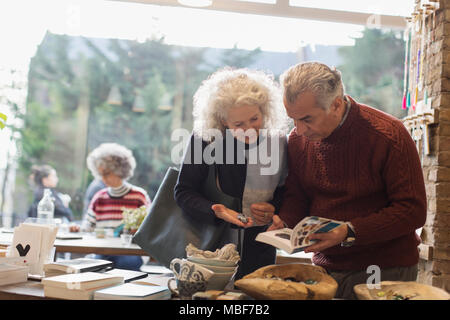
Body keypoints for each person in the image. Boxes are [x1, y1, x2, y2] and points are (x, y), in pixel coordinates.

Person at [269, 62, 427, 299]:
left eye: (307, 119)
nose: (299, 130)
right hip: (326, 267)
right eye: (293, 120)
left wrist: (349, 232)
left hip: (386, 268)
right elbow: (298, 197)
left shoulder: (389, 135)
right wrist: (284, 222)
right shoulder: (297, 140)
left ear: (335, 105)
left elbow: (412, 211)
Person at [174, 67, 289, 279]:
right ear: (222, 120)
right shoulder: (205, 139)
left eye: (255, 119)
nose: (249, 130)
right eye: (238, 124)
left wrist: (274, 208)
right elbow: (183, 192)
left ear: (265, 110)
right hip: (209, 252)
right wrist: (214, 210)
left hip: (260, 251)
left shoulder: (279, 142)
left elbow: (287, 191)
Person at [81, 143, 151, 271]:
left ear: (120, 170)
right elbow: (87, 228)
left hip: (130, 252)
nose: (102, 178)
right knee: (98, 263)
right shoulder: (99, 197)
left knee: (121, 264)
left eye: (106, 173)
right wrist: (78, 229)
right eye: (100, 174)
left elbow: (150, 229)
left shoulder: (139, 196)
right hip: (103, 251)